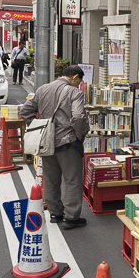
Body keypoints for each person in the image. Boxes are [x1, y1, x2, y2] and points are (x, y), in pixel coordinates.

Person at [20, 65, 89, 229]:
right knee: (72, 180)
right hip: (67, 142)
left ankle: (55, 213)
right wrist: (79, 136)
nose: (79, 84)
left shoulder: (43, 89)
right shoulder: (75, 93)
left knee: (51, 179)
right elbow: (79, 117)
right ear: (74, 77)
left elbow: (25, 111)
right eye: (79, 81)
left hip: (46, 141)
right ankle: (71, 218)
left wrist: (38, 126)